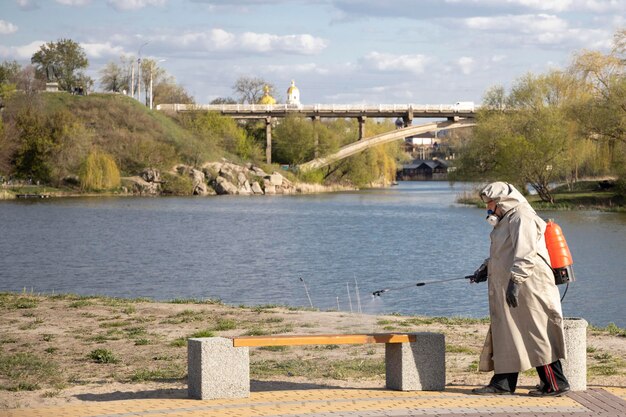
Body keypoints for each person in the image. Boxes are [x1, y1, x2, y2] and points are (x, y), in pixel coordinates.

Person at [467, 182, 570, 397]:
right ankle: (503, 383)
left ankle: (556, 383)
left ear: (502, 201)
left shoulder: (522, 217)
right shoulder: (508, 219)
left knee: (536, 331)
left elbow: (526, 253)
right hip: (514, 283)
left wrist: (516, 281)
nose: (488, 209)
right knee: (508, 331)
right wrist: (485, 268)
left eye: (490, 204)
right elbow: (504, 252)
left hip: (529, 285)